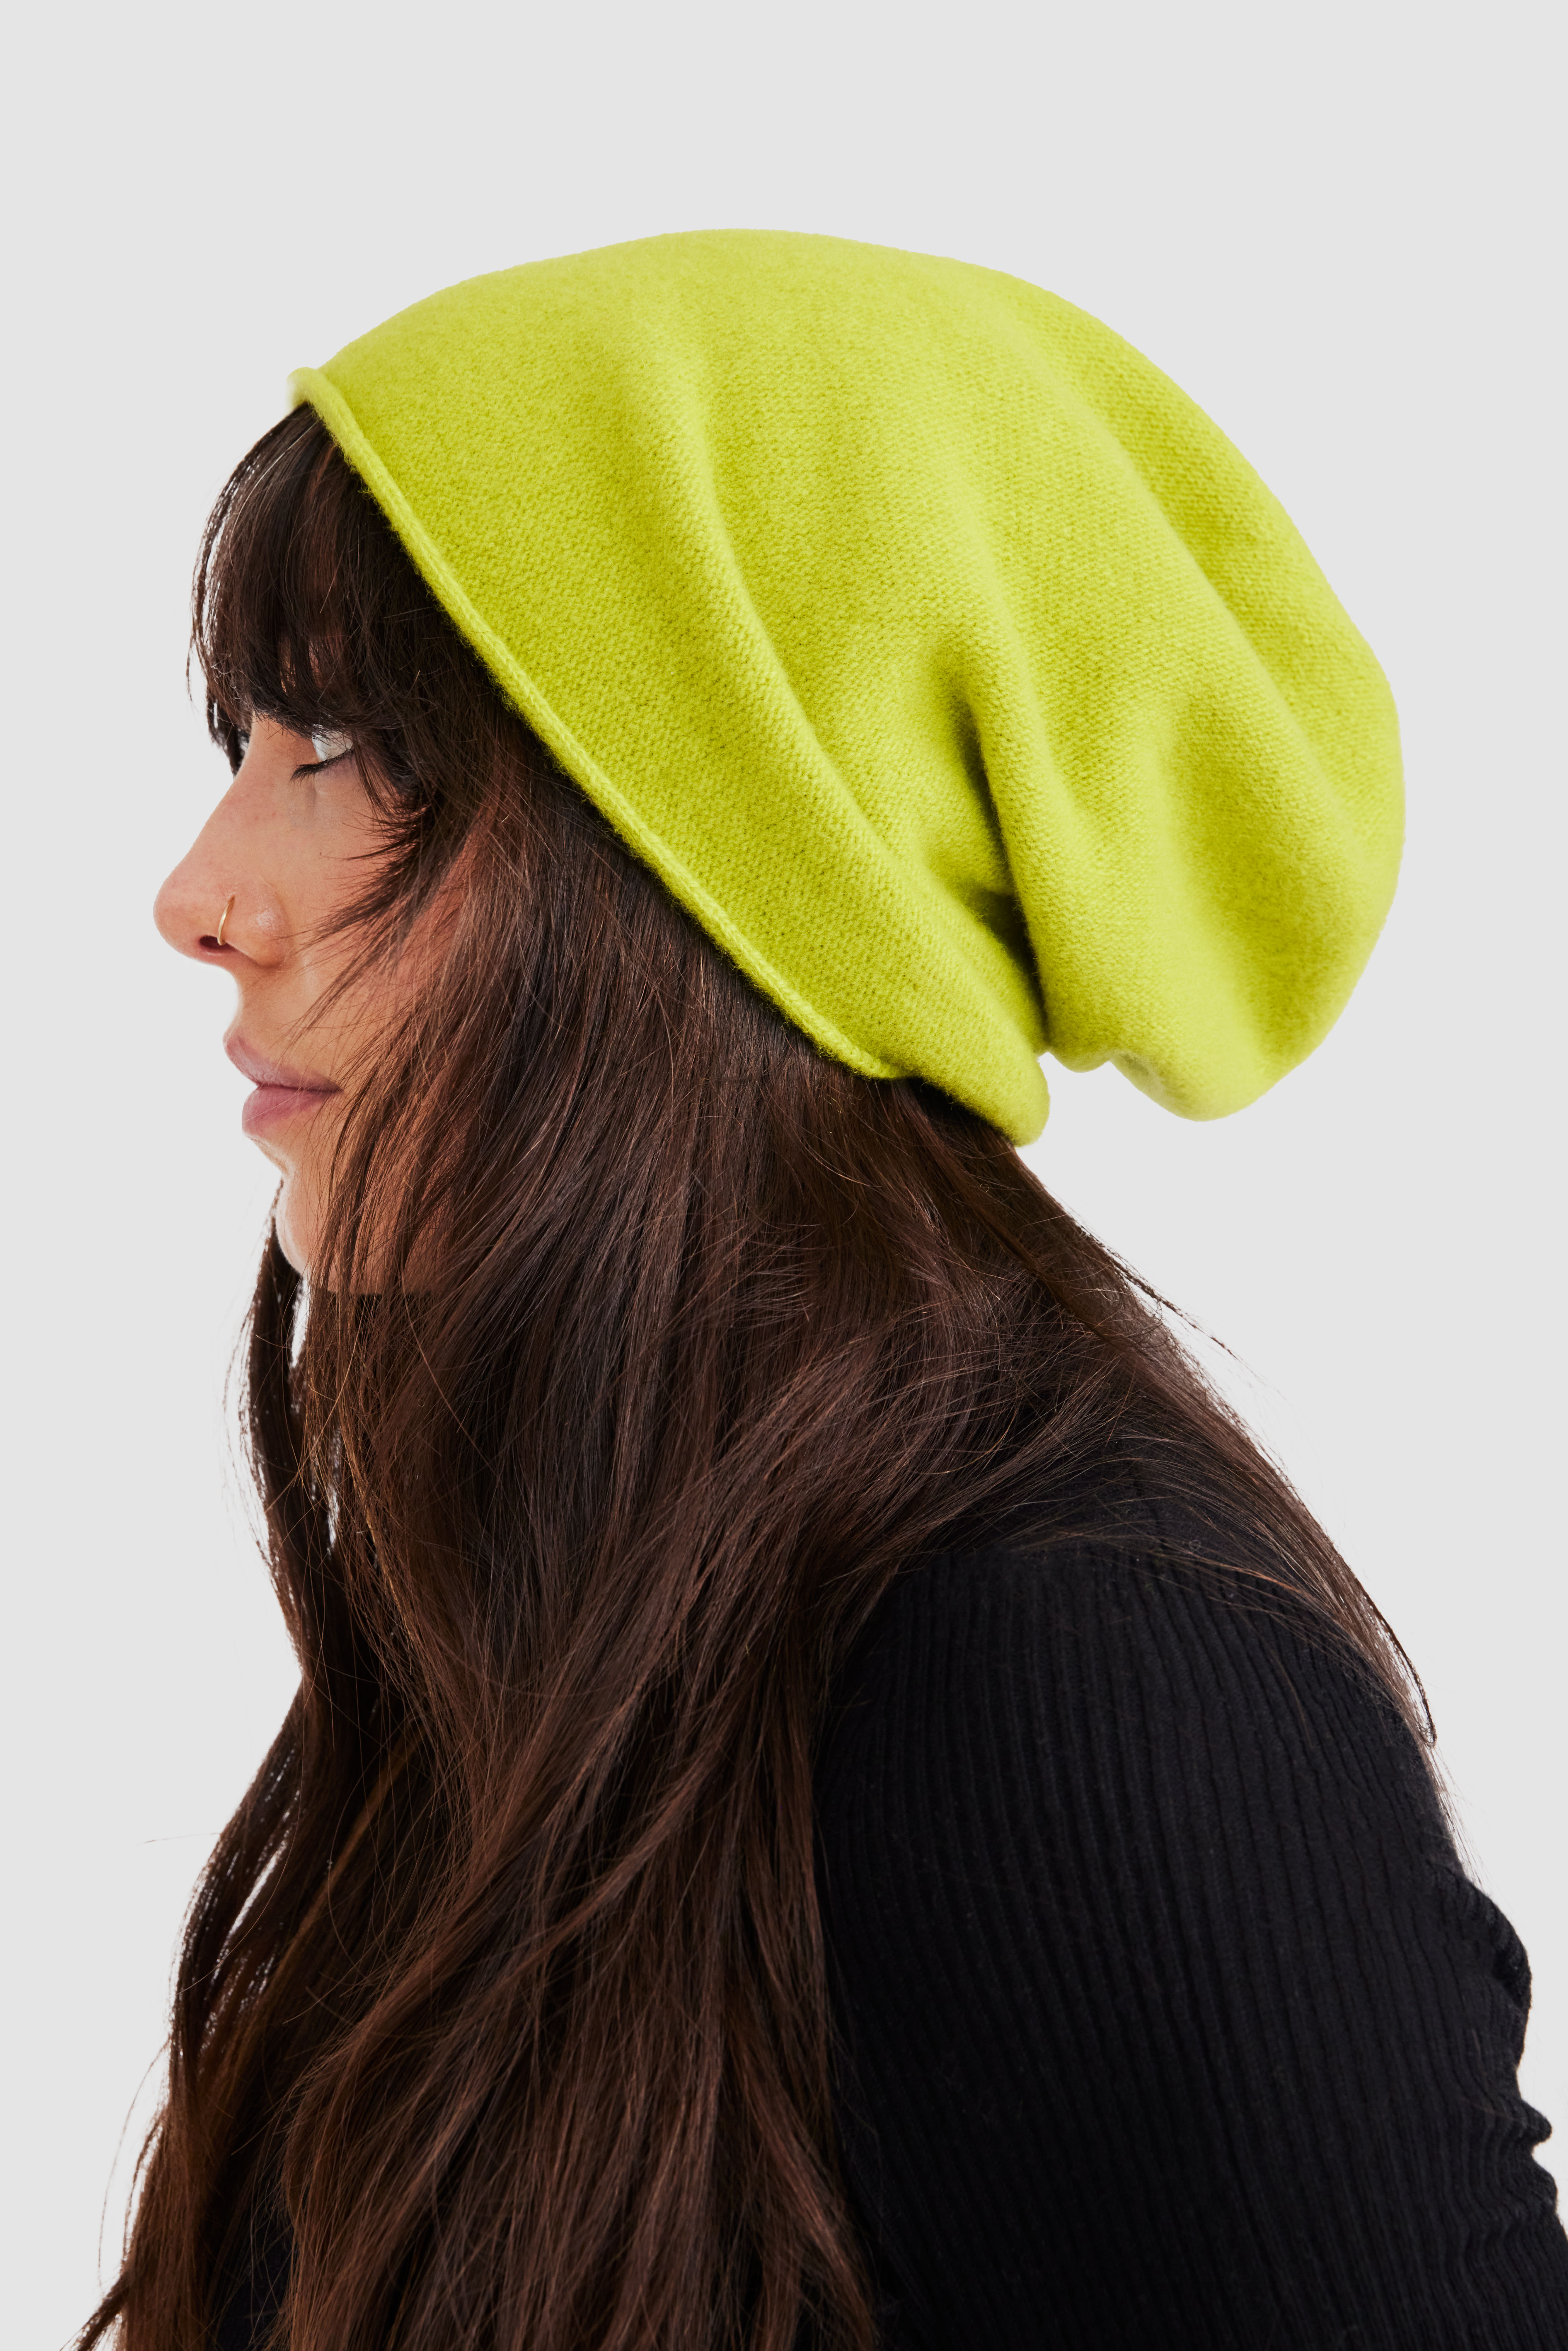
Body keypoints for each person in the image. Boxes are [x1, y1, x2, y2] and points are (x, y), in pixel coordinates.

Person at [85, 233, 1568, 2350]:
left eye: (358, 744)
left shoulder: (1085, 1679)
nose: (202, 891)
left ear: (751, 869)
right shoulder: (584, 1627)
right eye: (246, 733)